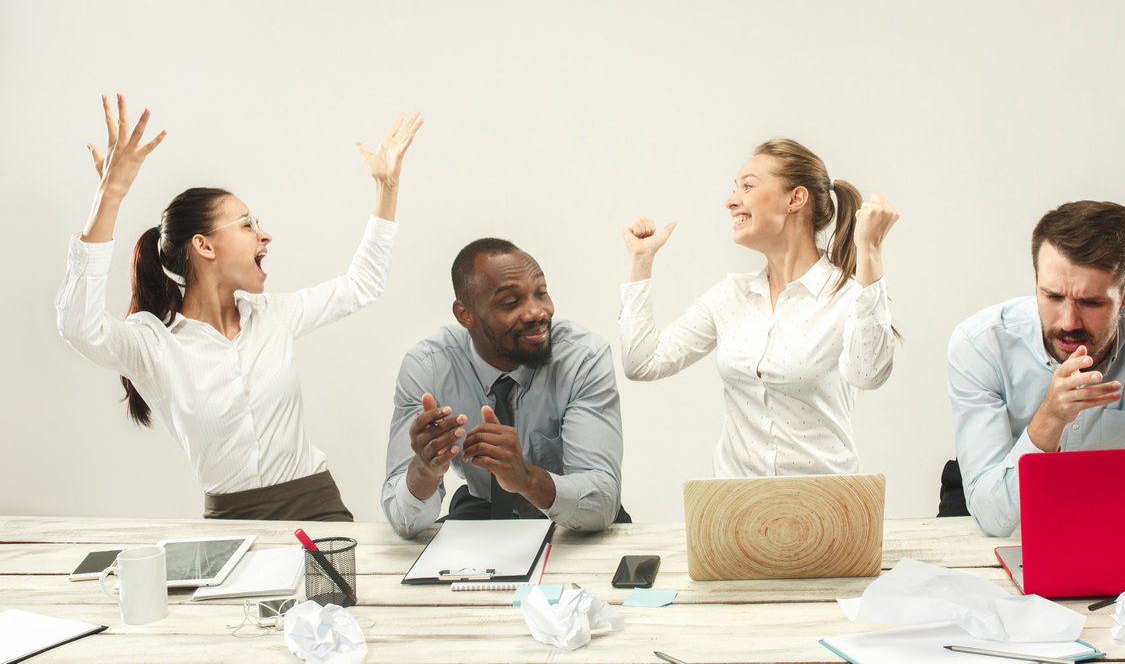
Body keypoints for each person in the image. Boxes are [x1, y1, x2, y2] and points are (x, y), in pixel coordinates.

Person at [57, 94, 422, 521]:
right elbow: (78, 325)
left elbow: (362, 285)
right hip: (232, 524)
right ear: (203, 245)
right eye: (248, 224)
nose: (265, 236)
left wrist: (387, 187)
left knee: (329, 593)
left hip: (317, 508)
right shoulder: (152, 343)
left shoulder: (273, 316)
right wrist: (110, 197)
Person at [619, 138, 899, 478]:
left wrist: (869, 251)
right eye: (735, 188)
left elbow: (868, 374)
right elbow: (642, 363)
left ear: (795, 199)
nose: (731, 200)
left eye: (748, 187)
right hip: (738, 509)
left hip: (826, 509)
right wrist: (641, 262)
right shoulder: (731, 295)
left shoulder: (847, 297)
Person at [948, 200, 1125, 537]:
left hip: (1104, 507)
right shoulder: (981, 343)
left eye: (1091, 302)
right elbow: (994, 519)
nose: (1068, 322)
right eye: (1052, 296)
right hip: (998, 507)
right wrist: (1050, 417)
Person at [381, 238, 624, 538]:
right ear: (464, 314)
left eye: (541, 293)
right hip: (484, 507)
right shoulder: (428, 368)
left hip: (572, 518)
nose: (536, 312)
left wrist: (525, 478)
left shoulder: (583, 358)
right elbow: (404, 522)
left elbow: (602, 502)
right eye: (511, 302)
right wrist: (424, 470)